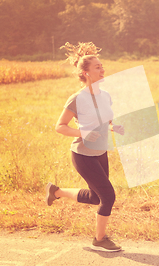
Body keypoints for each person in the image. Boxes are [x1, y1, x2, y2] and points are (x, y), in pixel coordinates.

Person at [45, 42, 124, 252]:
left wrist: (114, 126)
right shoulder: (76, 99)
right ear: (85, 73)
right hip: (83, 154)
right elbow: (60, 127)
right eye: (97, 67)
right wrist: (84, 133)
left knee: (95, 197)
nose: (102, 69)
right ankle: (100, 239)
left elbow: (104, 119)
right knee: (108, 196)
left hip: (100, 152)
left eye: (102, 65)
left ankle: (57, 191)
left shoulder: (105, 95)